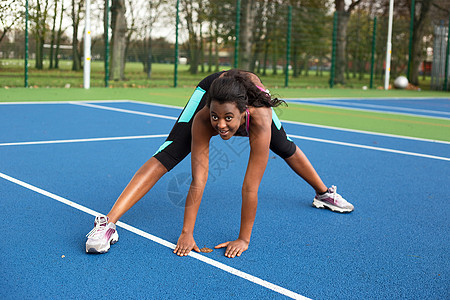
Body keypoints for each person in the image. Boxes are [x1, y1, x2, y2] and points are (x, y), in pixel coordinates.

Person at [85, 69, 354, 257]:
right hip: (212, 87)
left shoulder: (260, 116)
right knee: (169, 153)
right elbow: (199, 179)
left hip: (245, 99)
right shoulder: (205, 117)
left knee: (283, 145)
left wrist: (244, 239)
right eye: (216, 118)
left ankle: (323, 194)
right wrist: (187, 232)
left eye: (228, 119)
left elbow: (250, 186)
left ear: (243, 114)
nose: (221, 126)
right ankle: (107, 224)